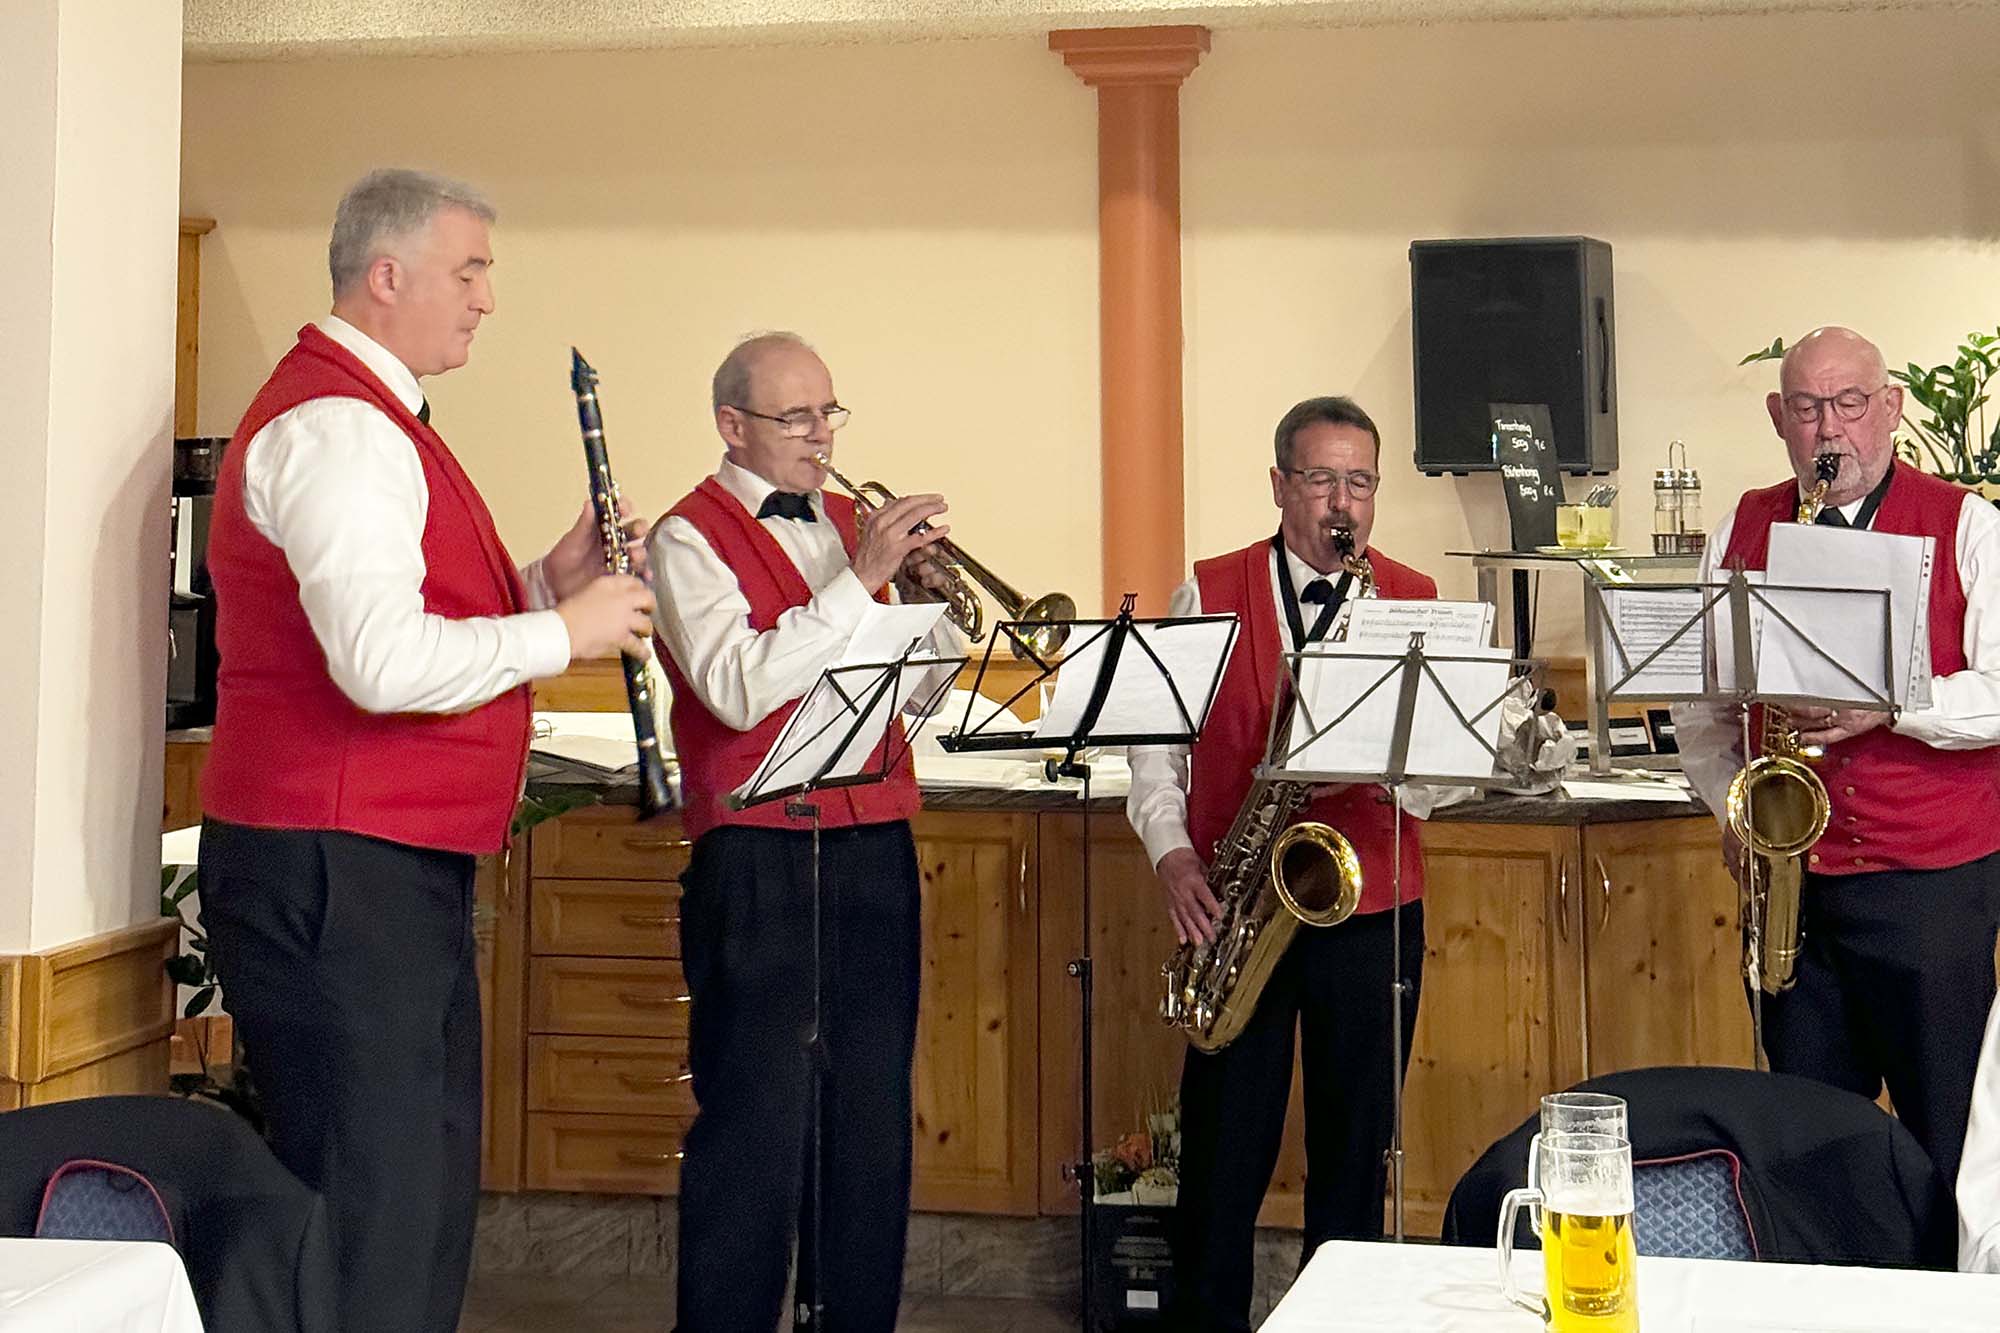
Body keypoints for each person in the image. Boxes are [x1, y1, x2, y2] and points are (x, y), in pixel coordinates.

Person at [197, 167, 657, 1333]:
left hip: (372, 863)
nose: (486, 298)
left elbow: (408, 617)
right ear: (387, 275)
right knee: (375, 1209)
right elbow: (379, 662)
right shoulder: (341, 428)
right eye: (470, 270)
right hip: (335, 863)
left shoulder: (372, 418)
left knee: (416, 1195)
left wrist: (542, 582)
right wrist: (564, 631)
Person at [648, 332, 964, 1332]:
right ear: (731, 425)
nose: (820, 435)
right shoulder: (685, 537)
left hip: (873, 846)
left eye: (828, 412)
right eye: (795, 417)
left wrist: (930, 613)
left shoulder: (848, 526)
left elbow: (912, 695)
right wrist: (858, 581)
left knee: (870, 1121)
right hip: (757, 852)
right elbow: (735, 685)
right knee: (754, 1120)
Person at [1127, 395, 1456, 1332]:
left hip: (1373, 907)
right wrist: (1173, 855)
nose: (1342, 504)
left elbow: (1438, 784)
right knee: (1222, 1158)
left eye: (1360, 482)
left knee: (1354, 1158)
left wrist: (1402, 757)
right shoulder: (1206, 589)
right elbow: (1156, 746)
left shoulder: (1415, 597)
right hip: (1238, 912)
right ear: (1279, 485)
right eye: (1320, 480)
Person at [1675, 325, 2000, 1188]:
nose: (1830, 428)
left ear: (1890, 408)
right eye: (1808, 407)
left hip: (1930, 887)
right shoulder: (1741, 526)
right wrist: (1733, 808)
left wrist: (1894, 705)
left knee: (1948, 1130)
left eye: (1850, 403)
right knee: (1806, 1139)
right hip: (1792, 885)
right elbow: (1701, 707)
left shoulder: (1969, 524)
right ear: (1778, 416)